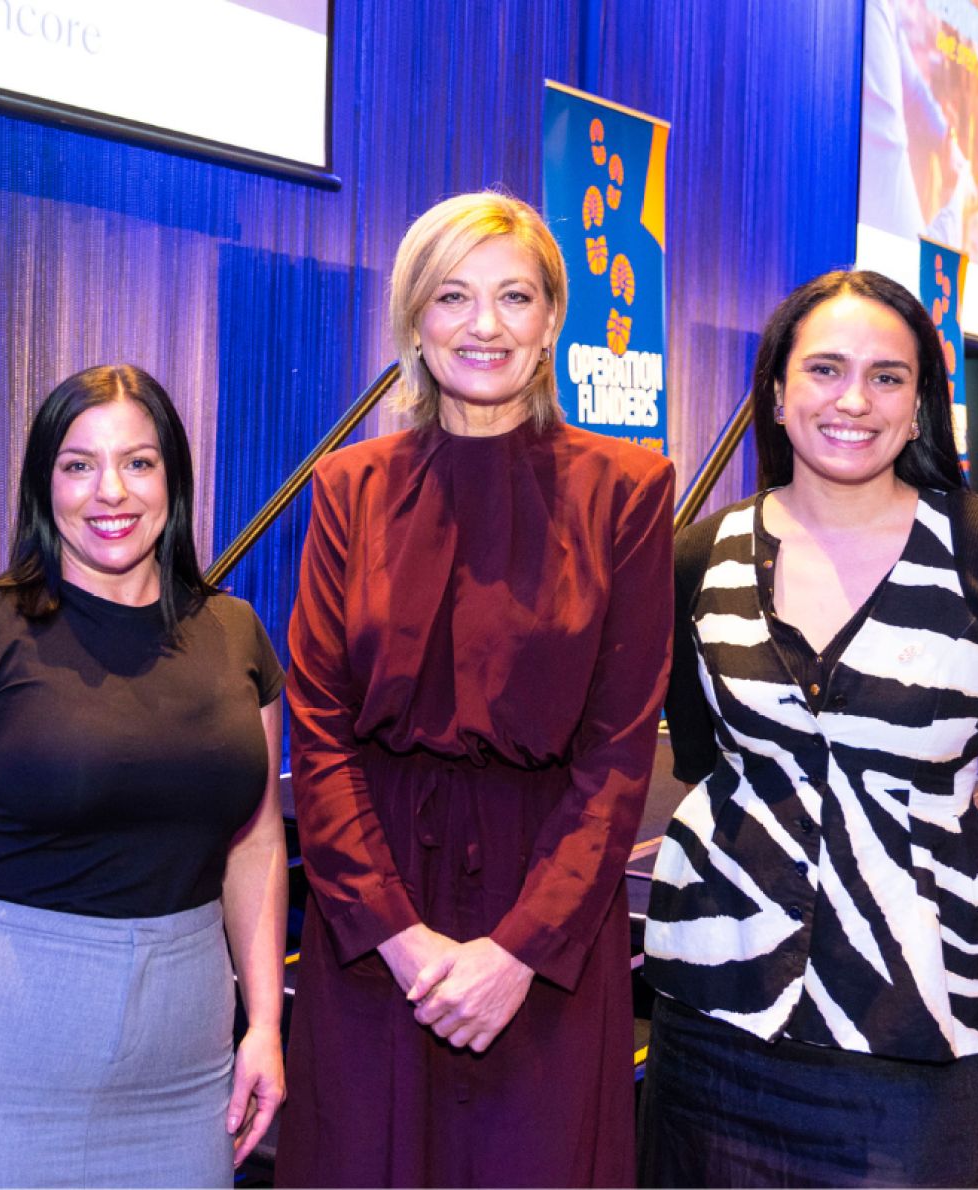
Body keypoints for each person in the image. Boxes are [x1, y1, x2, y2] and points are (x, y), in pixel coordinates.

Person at [276, 190, 676, 1187]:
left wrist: (518, 950)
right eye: (453, 296)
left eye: (514, 297)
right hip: (375, 916)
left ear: (550, 325)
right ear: (416, 319)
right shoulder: (347, 487)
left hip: (543, 919)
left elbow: (620, 750)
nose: (484, 324)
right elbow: (318, 735)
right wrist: (402, 940)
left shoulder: (627, 489)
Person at [640, 269, 978, 1187]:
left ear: (919, 404)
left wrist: (895, 858)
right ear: (777, 391)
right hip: (716, 1016)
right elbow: (708, 761)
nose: (853, 399)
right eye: (825, 369)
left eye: (886, 376)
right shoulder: (697, 555)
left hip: (913, 1025)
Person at [0, 364, 288, 1189]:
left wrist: (266, 1025)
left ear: (172, 476)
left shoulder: (235, 633)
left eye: (138, 462)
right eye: (77, 464)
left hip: (185, 1059)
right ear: (43, 484)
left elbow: (256, 846)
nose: (111, 492)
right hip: (1, 1054)